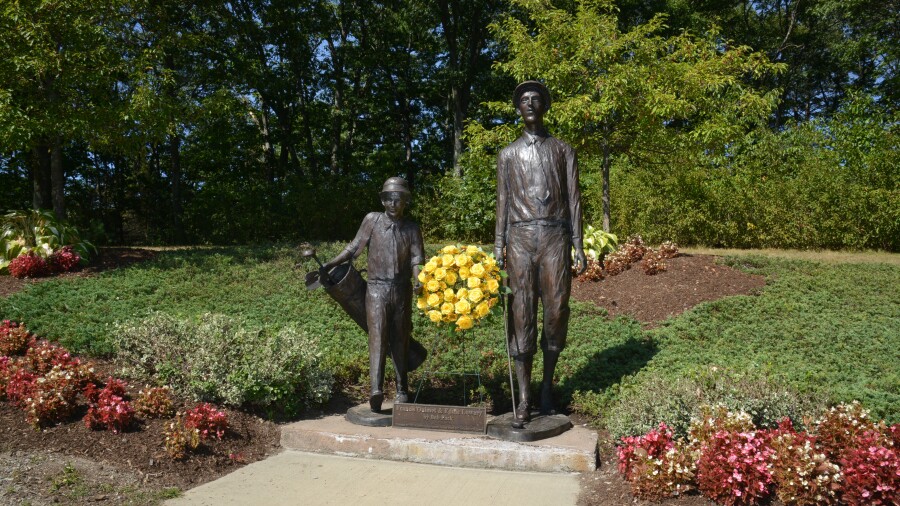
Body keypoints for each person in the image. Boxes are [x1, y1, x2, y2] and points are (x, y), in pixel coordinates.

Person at [495, 81, 588, 426]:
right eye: (524, 99)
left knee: (556, 309)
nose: (530, 103)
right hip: (519, 237)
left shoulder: (563, 150)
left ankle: (547, 387)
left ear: (545, 106)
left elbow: (574, 198)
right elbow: (502, 201)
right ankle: (523, 398)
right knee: (520, 312)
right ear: (518, 107)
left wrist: (578, 243)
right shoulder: (507, 154)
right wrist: (498, 246)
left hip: (554, 236)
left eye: (536, 99)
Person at [321, 177, 425, 412]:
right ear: (382, 200)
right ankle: (376, 389)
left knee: (400, 338)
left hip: (401, 290)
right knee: (377, 337)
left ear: (405, 202)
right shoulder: (372, 220)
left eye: (398, 200)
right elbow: (353, 247)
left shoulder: (412, 229)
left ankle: (402, 389)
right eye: (388, 199)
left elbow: (417, 258)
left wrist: (418, 279)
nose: (393, 204)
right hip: (376, 289)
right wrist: (330, 263)